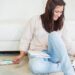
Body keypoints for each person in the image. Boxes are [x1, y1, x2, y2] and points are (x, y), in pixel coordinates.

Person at [13, 0, 75, 75]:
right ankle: (67, 66)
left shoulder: (61, 23)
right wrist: (21, 55)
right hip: (38, 54)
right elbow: (26, 38)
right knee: (35, 67)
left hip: (54, 55)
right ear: (49, 10)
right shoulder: (35, 20)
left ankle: (69, 71)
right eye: (56, 11)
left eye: (61, 12)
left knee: (54, 35)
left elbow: (67, 41)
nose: (59, 15)